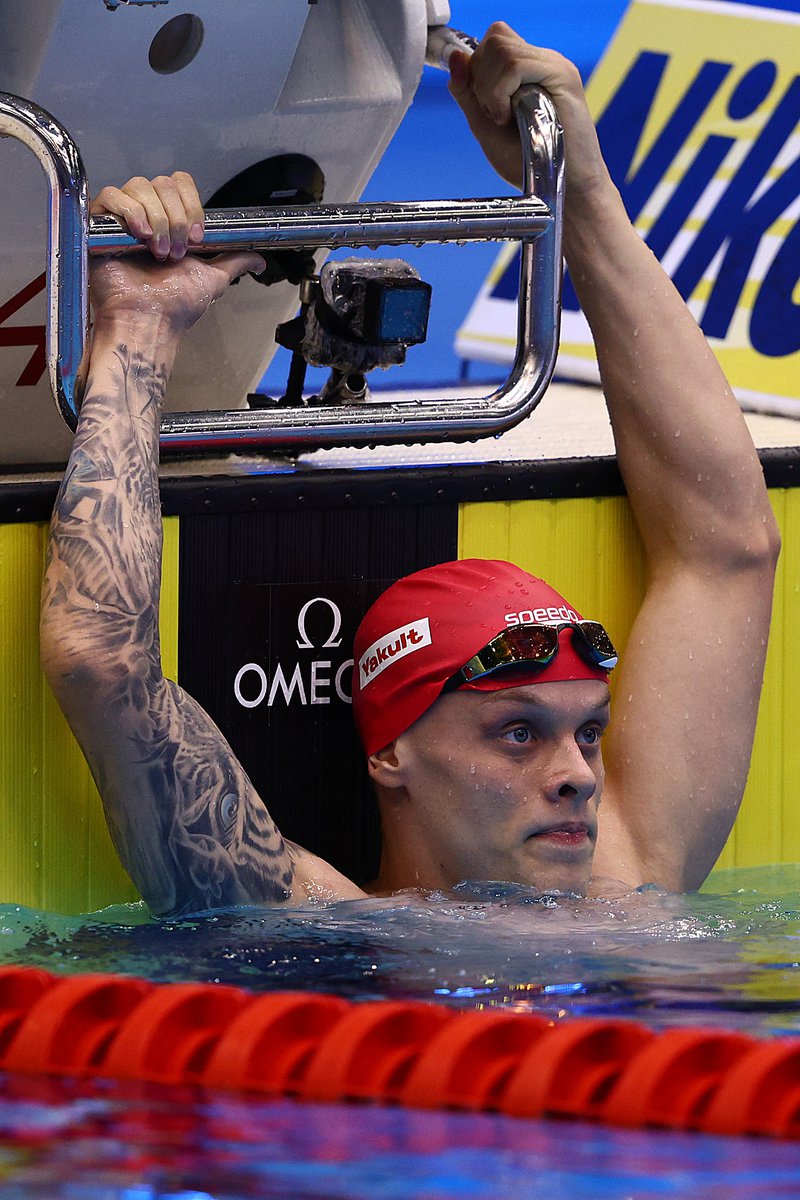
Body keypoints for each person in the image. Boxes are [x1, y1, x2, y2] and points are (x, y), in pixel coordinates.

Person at [40, 24, 779, 917]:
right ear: (392, 752)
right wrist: (141, 328)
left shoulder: (634, 873)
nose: (578, 777)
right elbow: (101, 661)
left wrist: (575, 186)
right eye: (519, 734)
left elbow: (728, 546)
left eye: (589, 732)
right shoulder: (317, 922)